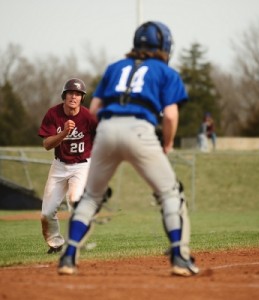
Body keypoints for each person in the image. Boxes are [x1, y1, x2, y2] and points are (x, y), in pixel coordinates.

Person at [57, 21, 200, 277]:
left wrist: (104, 139)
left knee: (91, 197)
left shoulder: (115, 67)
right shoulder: (165, 72)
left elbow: (96, 109)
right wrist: (166, 143)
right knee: (170, 194)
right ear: (165, 45)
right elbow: (169, 116)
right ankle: (179, 256)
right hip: (140, 130)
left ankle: (68, 257)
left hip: (107, 129)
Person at [38, 78, 98, 254]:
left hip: (81, 165)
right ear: (64, 96)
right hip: (59, 166)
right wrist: (64, 132)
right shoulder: (53, 114)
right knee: (46, 213)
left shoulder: (88, 116)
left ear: (82, 98)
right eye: (71, 93)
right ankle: (55, 244)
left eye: (78, 94)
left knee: (74, 199)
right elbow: (47, 144)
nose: (74, 96)